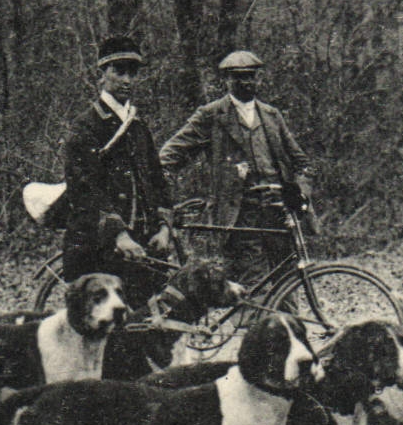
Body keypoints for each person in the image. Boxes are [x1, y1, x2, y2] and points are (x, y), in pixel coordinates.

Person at [159, 49, 313, 285]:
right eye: (238, 77)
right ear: (226, 80)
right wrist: (161, 192)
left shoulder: (272, 115)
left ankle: (286, 311)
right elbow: (169, 156)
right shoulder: (211, 115)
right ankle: (254, 310)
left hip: (278, 213)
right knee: (252, 282)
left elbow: (302, 163)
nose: (246, 82)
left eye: (251, 76)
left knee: (288, 281)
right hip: (239, 216)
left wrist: (300, 192)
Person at [62, 35, 174, 308]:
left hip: (144, 247)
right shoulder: (85, 126)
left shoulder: (138, 127)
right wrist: (119, 234)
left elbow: (158, 182)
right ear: (101, 75)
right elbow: (85, 191)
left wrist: (164, 228)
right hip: (100, 248)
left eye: (132, 73)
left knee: (150, 321)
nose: (126, 80)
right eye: (119, 71)